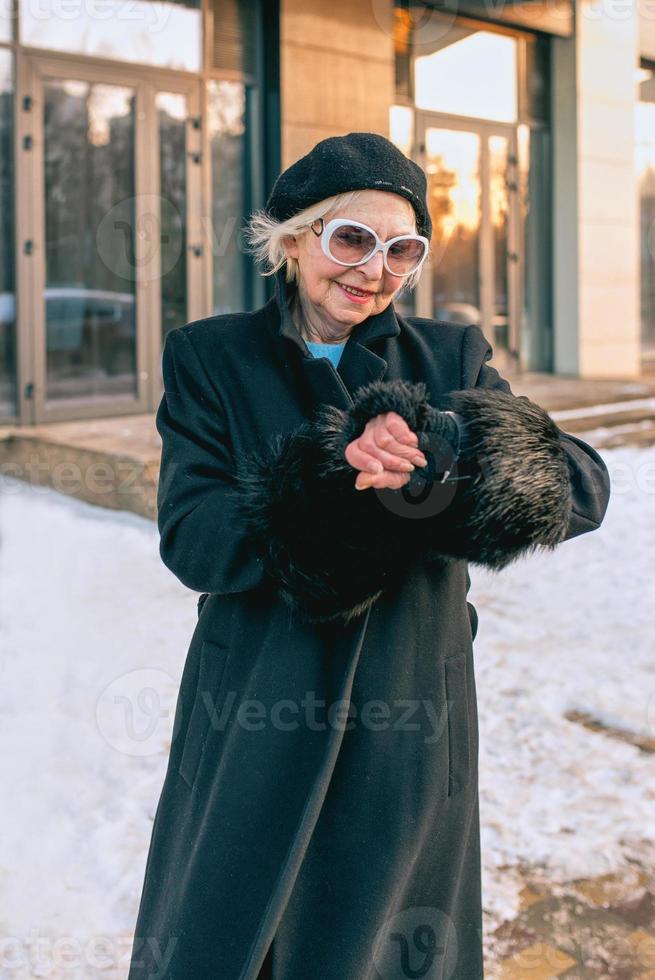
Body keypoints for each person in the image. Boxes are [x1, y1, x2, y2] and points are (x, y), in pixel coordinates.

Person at [127, 132, 611, 980]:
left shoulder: (450, 358)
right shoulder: (210, 356)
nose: (372, 269)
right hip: (255, 709)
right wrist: (327, 478)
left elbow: (580, 488)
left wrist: (447, 448)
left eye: (401, 249)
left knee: (380, 946)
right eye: (349, 238)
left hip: (406, 713)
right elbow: (194, 537)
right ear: (291, 239)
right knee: (231, 937)